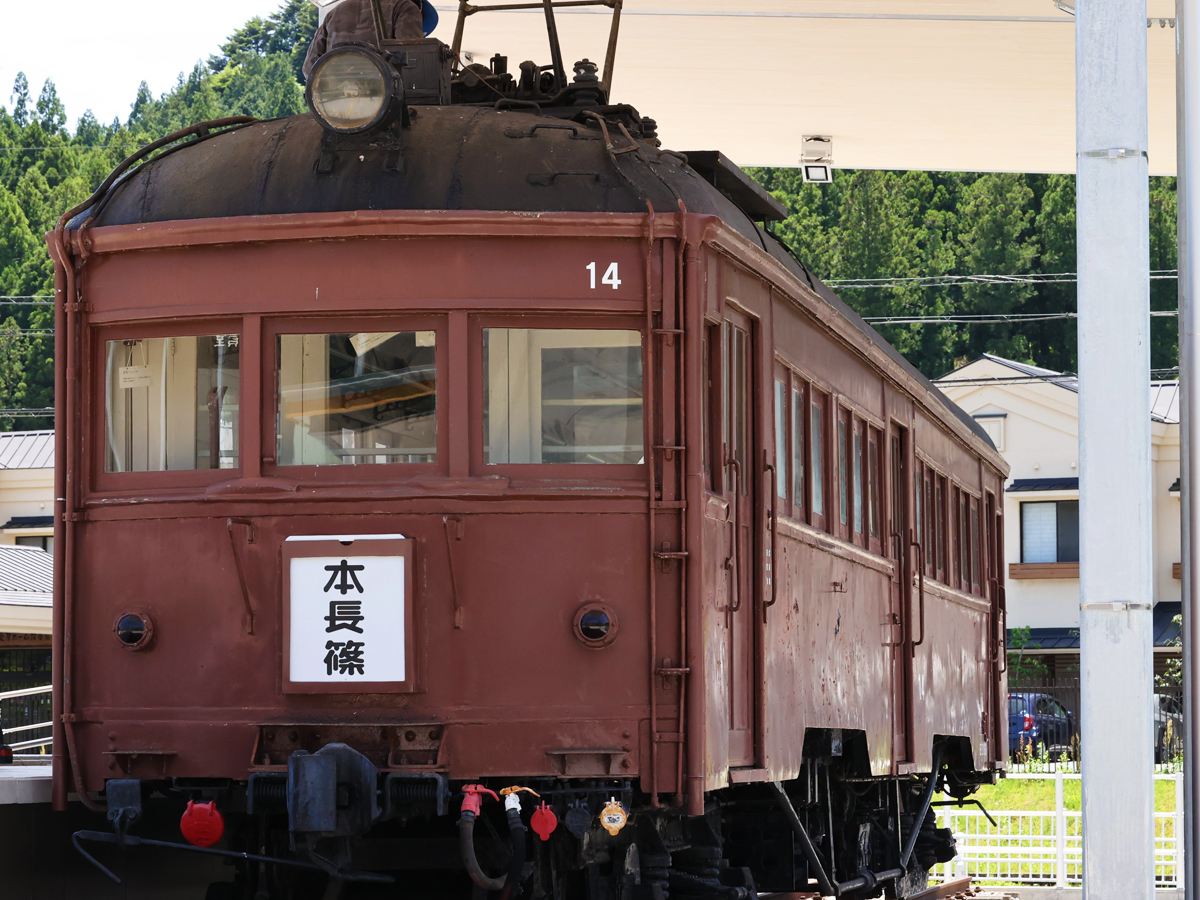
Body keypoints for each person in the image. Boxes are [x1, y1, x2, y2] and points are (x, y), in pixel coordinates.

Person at [303, 0, 436, 79]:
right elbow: (413, 58)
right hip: (382, 100)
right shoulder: (405, 6)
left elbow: (309, 67)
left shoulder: (334, 13)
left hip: (338, 103)